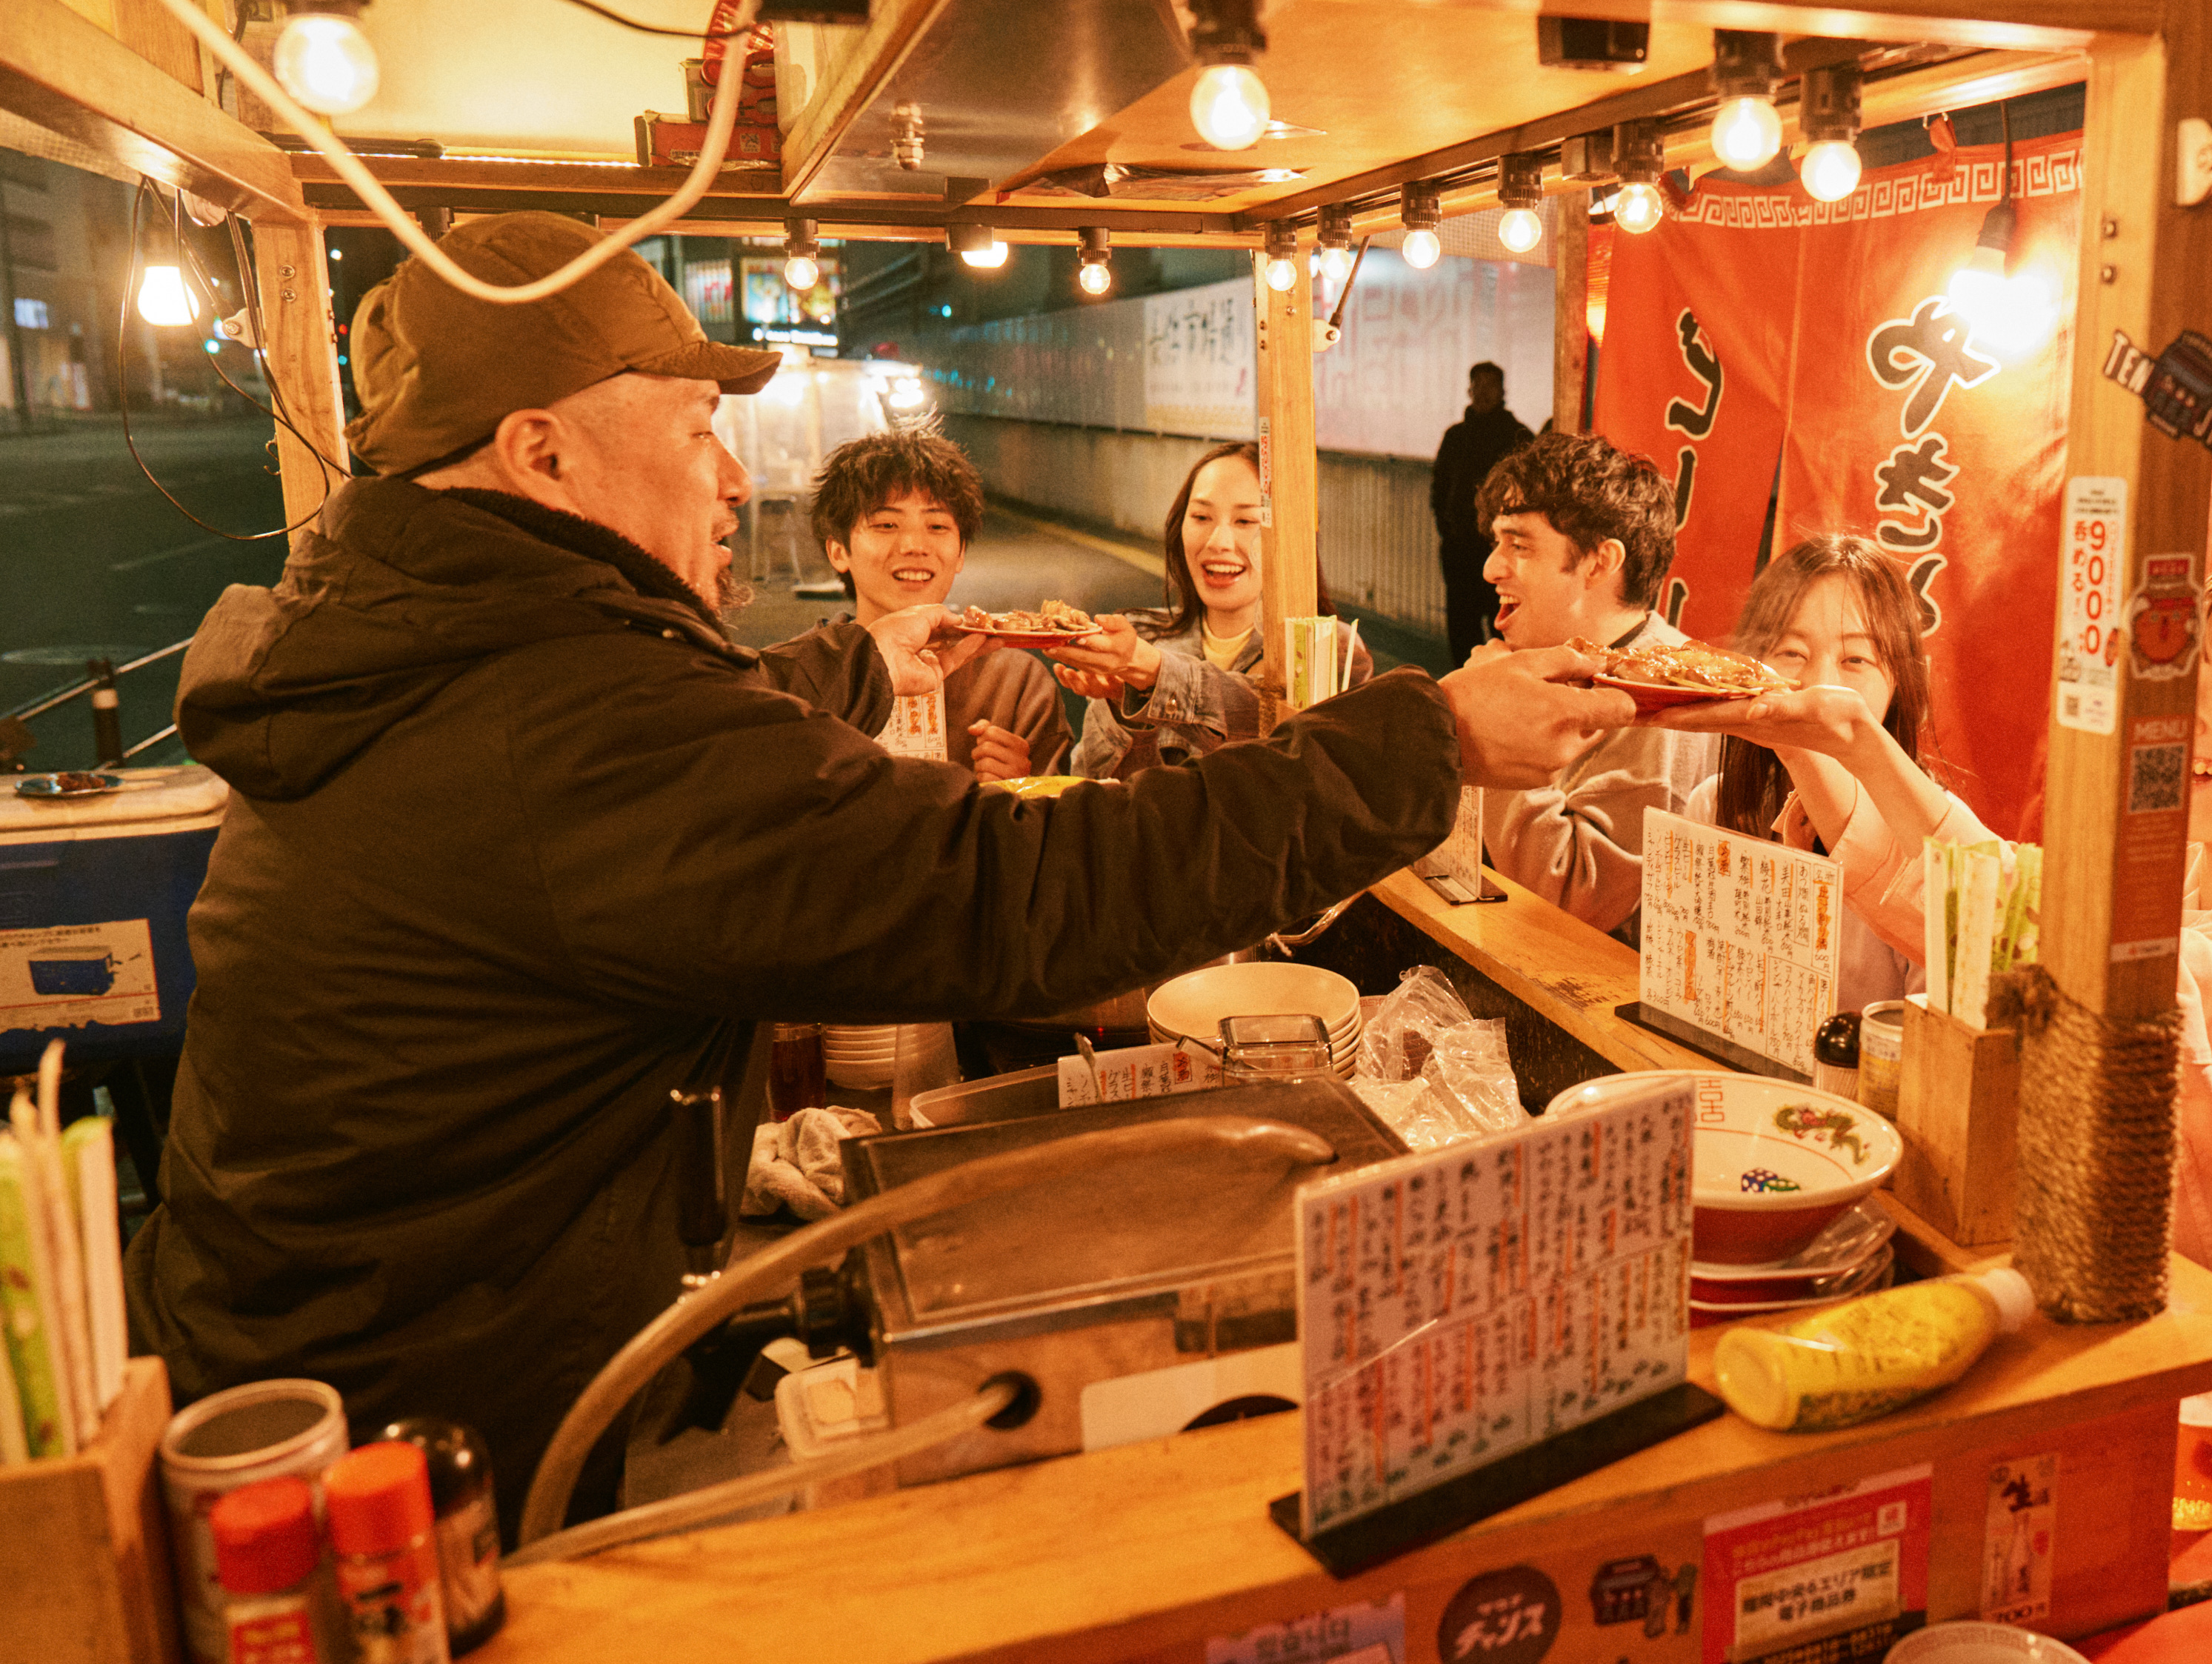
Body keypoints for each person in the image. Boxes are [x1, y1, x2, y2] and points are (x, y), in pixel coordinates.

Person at [121, 213, 1635, 1526]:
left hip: (337, 1350)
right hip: (415, 1415)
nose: (730, 479)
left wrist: (852, 658)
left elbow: (658, 778)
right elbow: (1021, 893)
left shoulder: (432, 643)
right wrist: (1424, 740)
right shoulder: (560, 717)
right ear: (542, 451)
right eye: (694, 435)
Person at [1665, 558, 2212, 1321]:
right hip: (2136, 1294)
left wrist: (1848, 746)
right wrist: (1828, 743)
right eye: (2177, 678)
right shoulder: (2186, 866)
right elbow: (1990, 903)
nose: (2180, 714)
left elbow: (2079, 958)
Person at [1685, 535, 1935, 1010]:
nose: (1819, 685)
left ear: (1900, 680)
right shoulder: (1715, 807)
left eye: (1855, 660)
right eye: (1792, 653)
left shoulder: (1931, 843)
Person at [1473, 432, 1685, 943]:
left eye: (1519, 544)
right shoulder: (1565, 663)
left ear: (1599, 562)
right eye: (1497, 542)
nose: (1491, 567)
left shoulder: (1662, 696)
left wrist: (1491, 727)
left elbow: (1578, 899)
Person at [1053, 441, 1371, 779]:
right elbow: (1092, 793)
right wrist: (1125, 711)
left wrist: (1154, 674)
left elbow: (1284, 754)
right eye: (1202, 517)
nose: (1218, 541)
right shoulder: (1141, 636)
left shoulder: (1325, 650)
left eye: (1246, 521)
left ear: (1291, 539)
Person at [763, 429, 1068, 779]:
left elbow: (1054, 818)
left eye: (937, 526)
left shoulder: (1016, 683)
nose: (914, 545)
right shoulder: (796, 679)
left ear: (961, 553)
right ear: (838, 551)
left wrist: (1018, 791)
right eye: (886, 524)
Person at [1431, 362, 1530, 665]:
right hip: (1460, 548)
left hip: (1506, 551)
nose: (1484, 393)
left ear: (1503, 392)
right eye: (1479, 386)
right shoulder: (1456, 437)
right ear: (1469, 390)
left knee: (1506, 623)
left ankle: (1505, 689)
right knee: (1461, 624)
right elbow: (1439, 489)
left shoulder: (1519, 437)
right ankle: (1463, 683)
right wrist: (1448, 530)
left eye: (1491, 387)